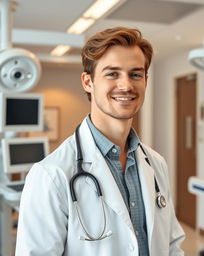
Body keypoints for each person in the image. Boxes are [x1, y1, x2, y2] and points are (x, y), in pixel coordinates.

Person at [15, 27, 185, 256]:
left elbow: (172, 246)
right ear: (88, 82)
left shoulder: (156, 164)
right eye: (112, 74)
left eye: (135, 74)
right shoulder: (51, 174)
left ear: (146, 80)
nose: (126, 85)